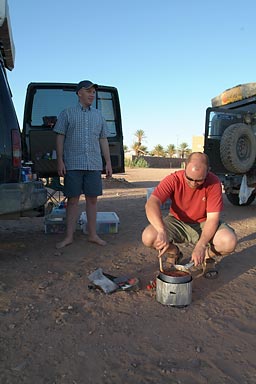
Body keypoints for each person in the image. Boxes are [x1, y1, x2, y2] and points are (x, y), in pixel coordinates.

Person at [142, 152, 237, 278]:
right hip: (177, 221)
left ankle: (207, 258)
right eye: (190, 178)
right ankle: (174, 252)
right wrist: (161, 230)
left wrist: (201, 245)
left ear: (208, 171)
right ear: (185, 166)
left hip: (204, 223)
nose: (193, 183)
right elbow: (151, 203)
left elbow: (212, 219)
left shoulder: (214, 183)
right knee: (149, 237)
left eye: (199, 180)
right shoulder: (173, 179)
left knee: (228, 241)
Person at [53, 80, 112, 249]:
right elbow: (60, 137)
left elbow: (103, 139)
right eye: (88, 91)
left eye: (94, 92)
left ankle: (93, 235)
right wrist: (60, 160)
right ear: (79, 93)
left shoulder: (98, 115)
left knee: (92, 200)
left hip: (93, 164)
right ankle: (69, 236)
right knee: (72, 201)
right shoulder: (67, 113)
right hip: (72, 164)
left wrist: (108, 163)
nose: (92, 94)